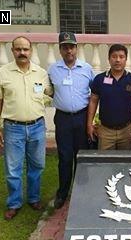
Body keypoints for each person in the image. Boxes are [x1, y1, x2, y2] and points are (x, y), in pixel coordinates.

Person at [0, 36, 53, 220]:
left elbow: (49, 93)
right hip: (13, 128)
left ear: (31, 51)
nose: (22, 53)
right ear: (12, 51)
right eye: (18, 49)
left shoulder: (41, 73)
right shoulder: (3, 73)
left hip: (37, 127)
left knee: (37, 165)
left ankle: (33, 199)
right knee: (13, 168)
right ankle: (14, 203)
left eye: (25, 49)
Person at [48, 32, 95, 209]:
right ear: (60, 49)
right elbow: (48, 90)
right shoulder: (53, 70)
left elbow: (94, 95)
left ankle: (81, 191)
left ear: (77, 48)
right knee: (65, 157)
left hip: (82, 117)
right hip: (63, 119)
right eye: (65, 47)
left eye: (72, 46)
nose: (69, 50)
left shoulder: (87, 69)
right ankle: (63, 193)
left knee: (82, 156)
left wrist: (91, 120)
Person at [87, 44, 131, 150]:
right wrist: (89, 124)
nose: (117, 60)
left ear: (126, 59)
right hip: (105, 131)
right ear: (109, 59)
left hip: (127, 130)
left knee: (126, 163)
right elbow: (93, 101)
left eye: (121, 57)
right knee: (105, 163)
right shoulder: (99, 79)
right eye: (114, 56)